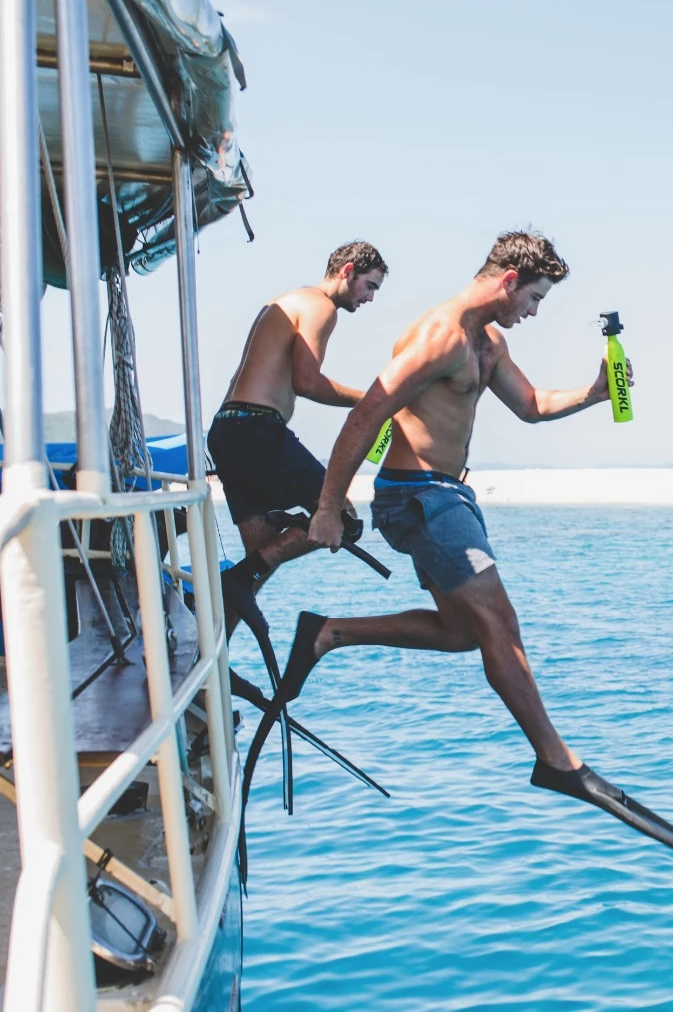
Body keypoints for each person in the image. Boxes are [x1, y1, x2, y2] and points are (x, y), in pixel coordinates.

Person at [271, 231, 616, 786]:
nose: (532, 312)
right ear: (509, 281)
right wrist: (329, 507)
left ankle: (327, 633)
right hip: (419, 496)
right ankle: (558, 762)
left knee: (464, 632)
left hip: (450, 497)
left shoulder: (488, 342)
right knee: (500, 624)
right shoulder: (440, 337)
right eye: (534, 299)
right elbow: (366, 415)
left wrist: (594, 393)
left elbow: (531, 406)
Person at [209, 241, 386, 623]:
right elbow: (307, 382)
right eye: (370, 286)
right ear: (348, 271)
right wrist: (373, 399)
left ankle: (213, 650)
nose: (370, 299)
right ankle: (236, 579)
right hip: (257, 429)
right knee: (344, 518)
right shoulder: (320, 307)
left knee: (261, 559)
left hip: (227, 431)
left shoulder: (286, 301)